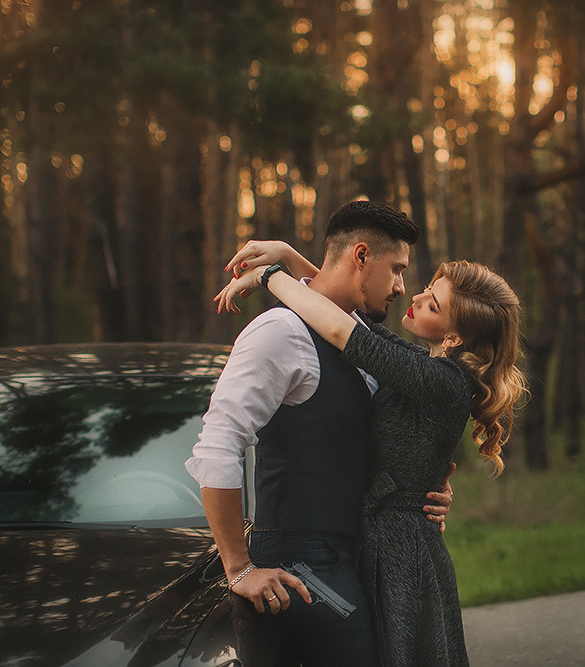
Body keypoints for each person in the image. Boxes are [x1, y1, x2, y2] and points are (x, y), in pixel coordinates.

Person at [216, 236, 526, 665]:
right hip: (373, 536)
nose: (414, 296)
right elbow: (344, 313)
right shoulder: (424, 365)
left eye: (433, 303)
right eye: (428, 286)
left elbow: (343, 331)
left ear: (453, 335)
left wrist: (271, 277)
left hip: (400, 553)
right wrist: (290, 258)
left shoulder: (441, 381)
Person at [186, 201, 453, 666]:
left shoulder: (355, 336)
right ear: (362, 256)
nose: (401, 287)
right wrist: (238, 567)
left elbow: (331, 310)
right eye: (397, 270)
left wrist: (423, 490)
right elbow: (219, 442)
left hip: (355, 554)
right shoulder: (279, 332)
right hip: (300, 560)